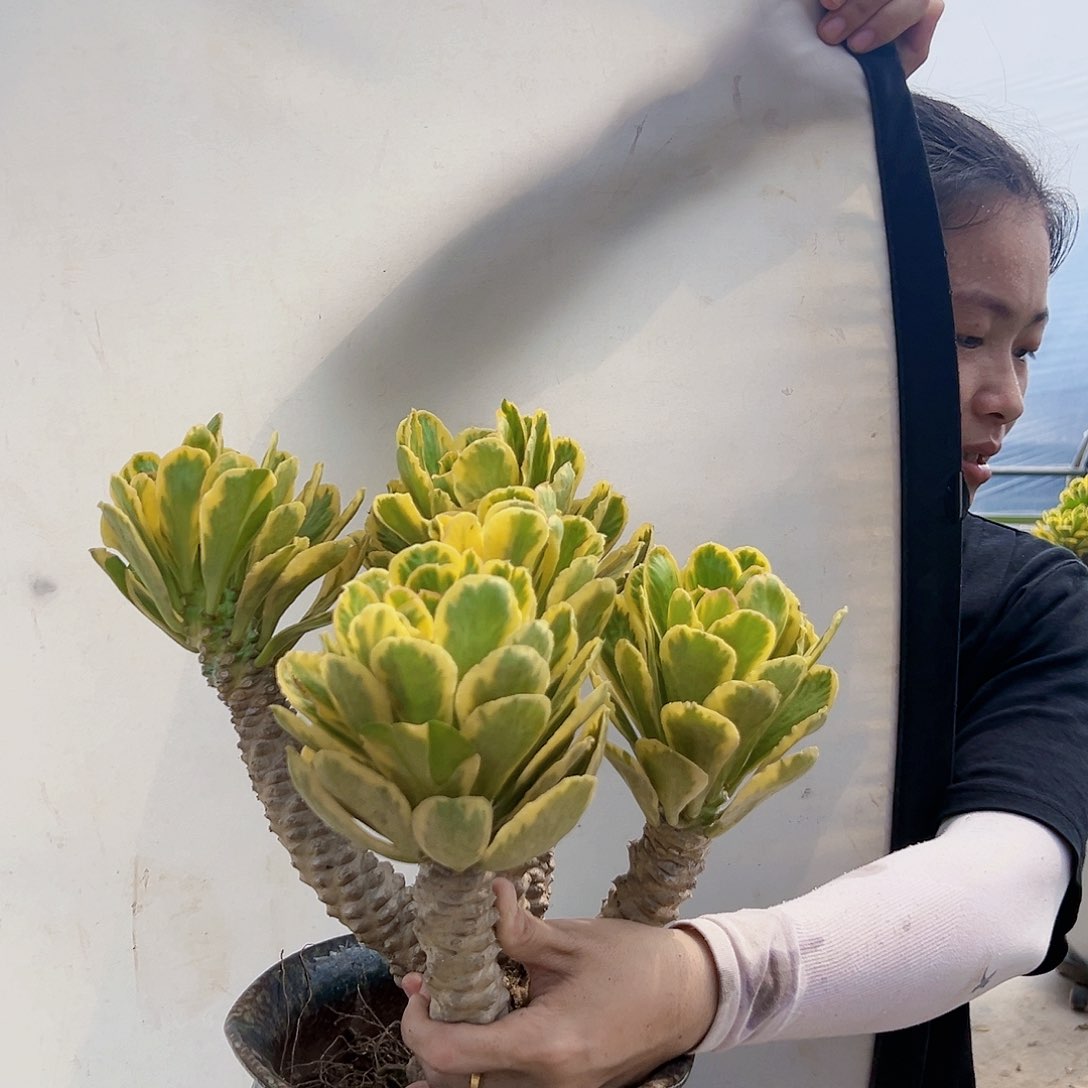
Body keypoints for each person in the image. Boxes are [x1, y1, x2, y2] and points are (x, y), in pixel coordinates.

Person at [399, 4, 1088, 1086]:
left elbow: (1003, 889)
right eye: (960, 333)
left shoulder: (1033, 596)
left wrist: (701, 982)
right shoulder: (593, 543)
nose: (1002, 395)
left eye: (1025, 348)